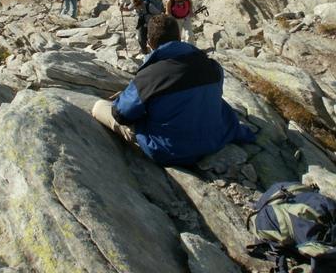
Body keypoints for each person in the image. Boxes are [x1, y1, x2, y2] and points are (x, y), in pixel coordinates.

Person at [91, 14, 256, 166]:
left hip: (171, 151)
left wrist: (131, 98)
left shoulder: (149, 76)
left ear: (149, 43)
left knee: (99, 106)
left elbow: (122, 114)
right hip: (215, 139)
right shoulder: (212, 66)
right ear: (178, 38)